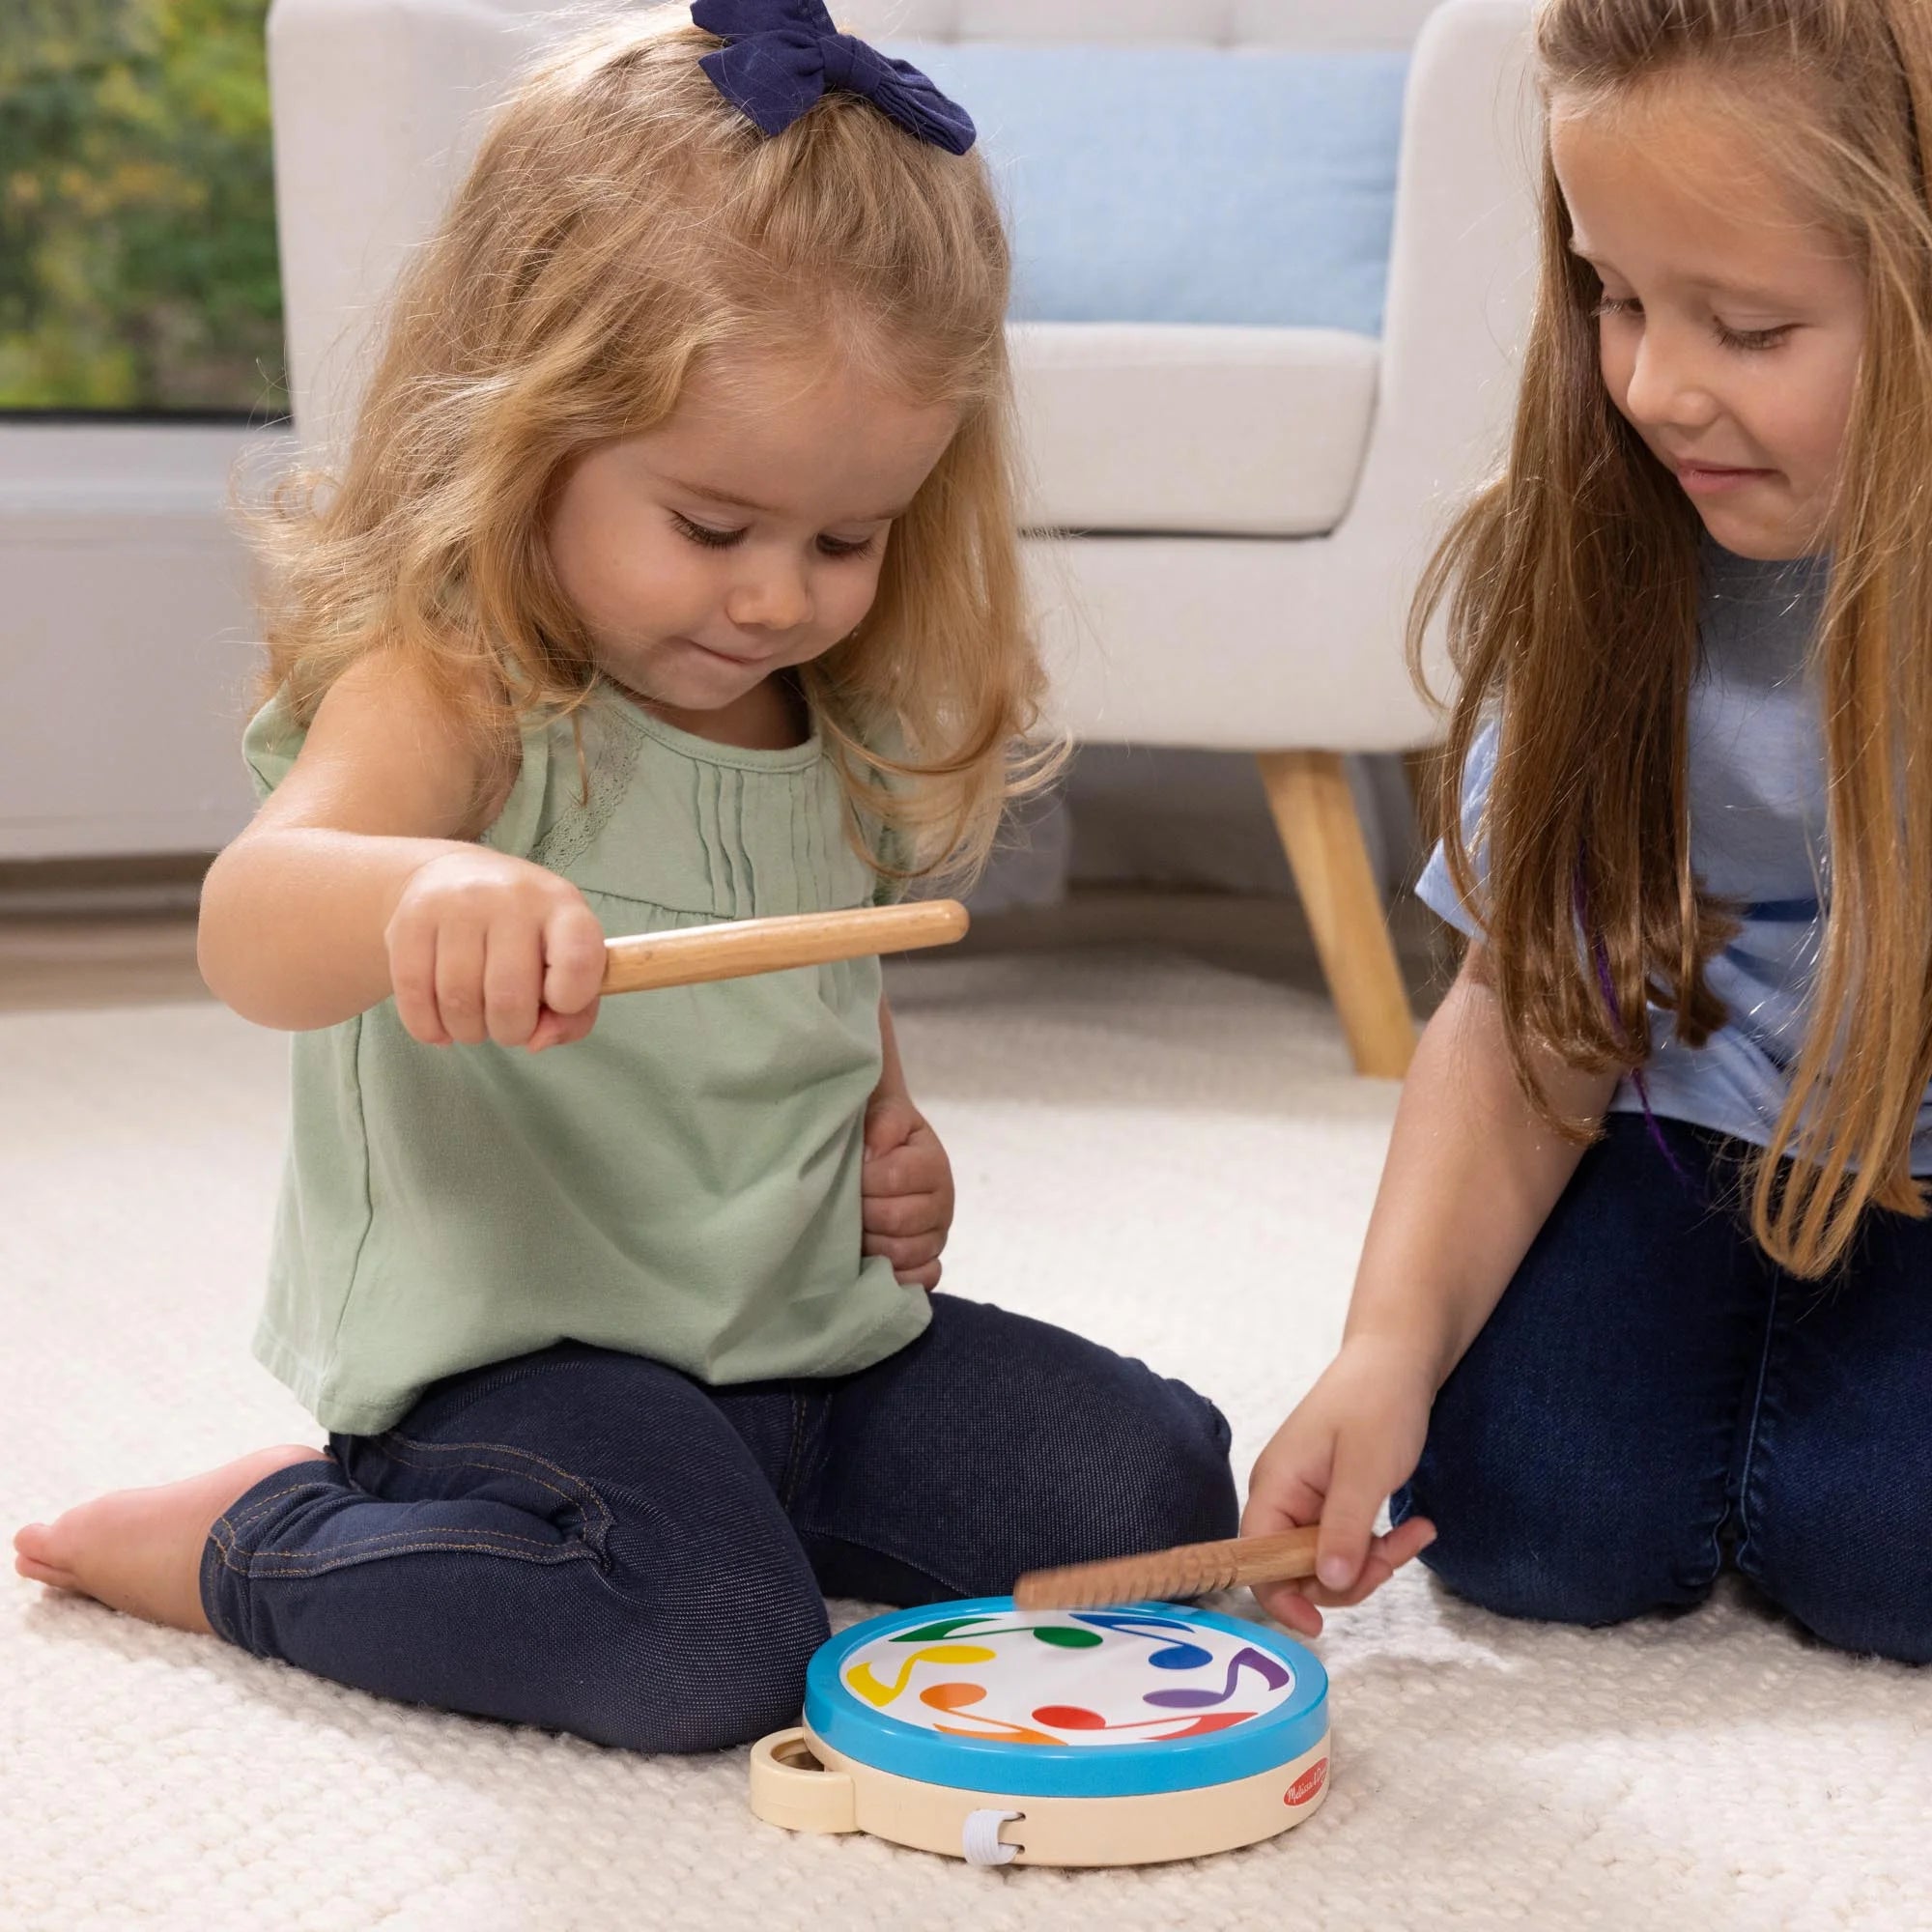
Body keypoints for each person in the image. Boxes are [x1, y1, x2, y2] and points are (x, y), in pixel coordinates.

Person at [14, 0, 1236, 1750]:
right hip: (526, 1363)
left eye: (846, 539)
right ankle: (252, 1540)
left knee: (1167, 1489)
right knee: (706, 1651)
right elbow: (252, 927)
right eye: (712, 525)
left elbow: (826, 964)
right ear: (524, 430)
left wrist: (895, 1139)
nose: (774, 599)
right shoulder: (461, 690)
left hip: (806, 1343)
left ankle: (707, 1518)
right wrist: (411, 894)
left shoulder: (822, 710)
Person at [1245, 0, 1932, 1665]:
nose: (1657, 388)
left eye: (1752, 329)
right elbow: (1521, 1012)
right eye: (1614, 297)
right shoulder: (1610, 555)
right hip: (1676, 1109)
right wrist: (1386, 1348)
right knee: (1522, 1517)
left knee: (1889, 1558)